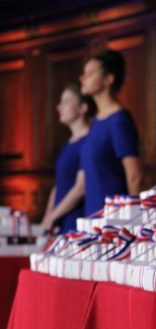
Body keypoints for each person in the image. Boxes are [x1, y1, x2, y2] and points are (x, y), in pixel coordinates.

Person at [44, 49, 143, 225]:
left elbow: (134, 176)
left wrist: (134, 224)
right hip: (92, 221)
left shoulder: (119, 120)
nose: (83, 78)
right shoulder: (96, 123)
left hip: (114, 223)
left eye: (90, 73)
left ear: (108, 79)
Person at [40, 84, 95, 232]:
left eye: (66, 101)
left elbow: (80, 188)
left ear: (83, 108)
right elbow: (59, 185)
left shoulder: (89, 141)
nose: (59, 107)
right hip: (61, 221)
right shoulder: (67, 144)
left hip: (76, 220)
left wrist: (53, 216)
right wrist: (48, 217)